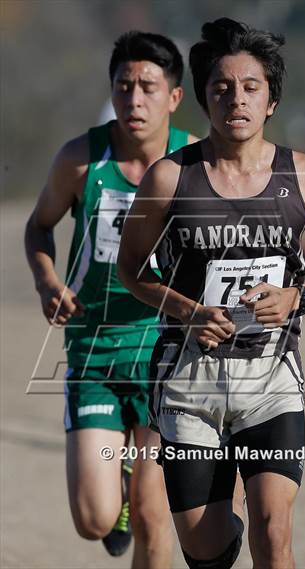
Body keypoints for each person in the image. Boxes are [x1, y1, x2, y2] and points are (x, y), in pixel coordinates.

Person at [118, 18, 305, 569]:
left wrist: (298, 298)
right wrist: (187, 310)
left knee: (274, 534)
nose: (236, 99)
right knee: (205, 546)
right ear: (203, 97)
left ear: (271, 100)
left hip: (271, 380)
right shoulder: (169, 177)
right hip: (189, 383)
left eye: (251, 87)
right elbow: (131, 269)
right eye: (222, 88)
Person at [25, 30, 197, 567]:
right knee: (94, 520)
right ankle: (116, 477)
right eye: (124, 87)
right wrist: (47, 280)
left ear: (173, 96)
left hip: (164, 351)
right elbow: (39, 227)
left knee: (152, 514)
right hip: (94, 350)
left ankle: (137, 482)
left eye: (148, 87)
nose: (134, 100)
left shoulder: (195, 165)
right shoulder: (80, 160)